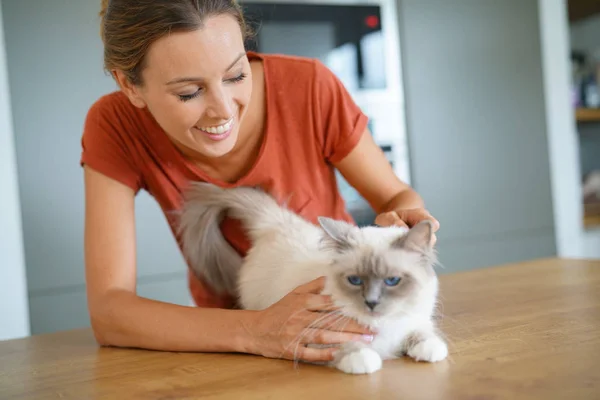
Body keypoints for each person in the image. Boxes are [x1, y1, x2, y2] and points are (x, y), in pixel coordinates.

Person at [81, 0, 440, 363]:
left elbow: (394, 196)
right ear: (130, 85)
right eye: (189, 92)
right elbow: (110, 312)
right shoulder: (114, 124)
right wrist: (256, 330)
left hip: (336, 321)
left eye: (237, 75)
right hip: (215, 340)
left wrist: (405, 221)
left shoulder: (310, 86)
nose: (223, 109)